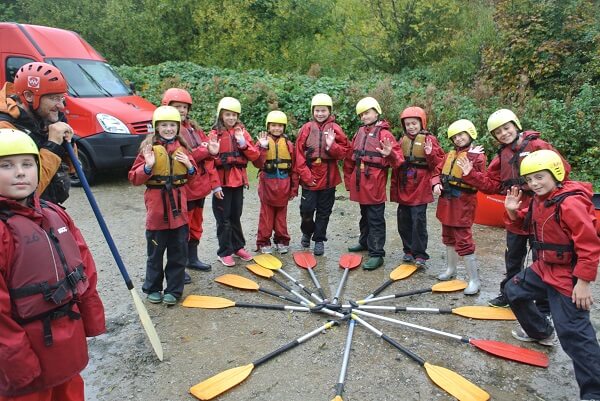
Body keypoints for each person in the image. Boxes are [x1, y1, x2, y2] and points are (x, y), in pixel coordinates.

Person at [0, 128, 105, 400]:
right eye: (6, 166)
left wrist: (91, 320)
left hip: (66, 343)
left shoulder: (53, 213)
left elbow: (85, 267)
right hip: (26, 354)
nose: (20, 172)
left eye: (27, 164)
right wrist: (18, 363)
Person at [504, 149, 600, 401]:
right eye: (530, 179)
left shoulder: (570, 202)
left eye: (540, 177)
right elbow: (525, 225)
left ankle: (594, 392)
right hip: (543, 267)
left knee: (574, 335)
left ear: (555, 174)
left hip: (566, 275)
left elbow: (589, 245)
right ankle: (541, 332)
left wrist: (583, 283)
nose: (534, 184)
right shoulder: (539, 199)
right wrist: (513, 211)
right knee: (513, 290)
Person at [457, 109, 571, 307]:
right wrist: (470, 175)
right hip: (515, 211)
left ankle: (543, 303)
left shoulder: (538, 145)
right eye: (498, 132)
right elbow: (493, 184)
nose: (503, 134)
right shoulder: (502, 155)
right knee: (513, 256)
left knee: (542, 258)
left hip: (541, 212)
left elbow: (562, 171)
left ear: (515, 125)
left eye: (506, 128)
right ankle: (510, 294)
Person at [128, 106, 198, 305]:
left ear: (178, 127)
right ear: (156, 127)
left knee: (178, 255)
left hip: (179, 217)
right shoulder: (148, 149)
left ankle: (174, 291)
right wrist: (148, 166)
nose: (168, 129)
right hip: (157, 216)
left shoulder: (183, 150)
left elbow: (194, 180)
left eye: (172, 125)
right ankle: (153, 288)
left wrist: (190, 166)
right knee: (155, 256)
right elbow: (134, 177)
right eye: (164, 125)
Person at [161, 88, 219, 281]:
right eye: (177, 106)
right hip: (184, 189)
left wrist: (211, 150)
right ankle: (179, 265)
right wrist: (205, 151)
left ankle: (191, 259)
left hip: (199, 188)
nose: (181, 110)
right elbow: (186, 157)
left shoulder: (194, 128)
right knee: (181, 230)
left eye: (184, 107)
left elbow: (207, 152)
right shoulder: (172, 133)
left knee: (196, 225)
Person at [0, 62, 74, 204]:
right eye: (53, 98)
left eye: (62, 98)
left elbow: (73, 168)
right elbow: (29, 189)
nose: (61, 106)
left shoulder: (43, 119)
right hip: (20, 213)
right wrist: (52, 144)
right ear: (28, 96)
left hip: (47, 207)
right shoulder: (5, 128)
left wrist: (67, 140)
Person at [343, 97, 402, 270]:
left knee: (375, 219)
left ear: (376, 112)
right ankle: (365, 242)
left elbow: (398, 161)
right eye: (361, 114)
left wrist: (390, 154)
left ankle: (377, 254)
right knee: (364, 215)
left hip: (375, 183)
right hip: (361, 182)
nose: (364, 117)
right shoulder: (360, 132)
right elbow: (350, 157)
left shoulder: (385, 134)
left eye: (367, 113)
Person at [432, 119, 486, 294]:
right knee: (448, 237)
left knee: (463, 240)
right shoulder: (449, 156)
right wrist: (435, 184)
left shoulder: (478, 156)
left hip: (463, 204)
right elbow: (437, 172)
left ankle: (474, 280)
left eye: (461, 135)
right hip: (446, 203)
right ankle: (450, 269)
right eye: (454, 137)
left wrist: (470, 157)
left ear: (470, 134)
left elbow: (478, 178)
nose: (458, 139)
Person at [294, 93, 350, 256]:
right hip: (309, 176)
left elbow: (344, 152)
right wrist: (306, 176)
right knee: (307, 210)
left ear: (329, 111)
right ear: (313, 111)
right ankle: (307, 232)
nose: (320, 114)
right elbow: (298, 154)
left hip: (328, 177)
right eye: (317, 110)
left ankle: (319, 239)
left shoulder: (336, 129)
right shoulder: (306, 128)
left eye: (323, 110)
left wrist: (332, 145)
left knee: (324, 211)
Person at [390, 106, 445, 269]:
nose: (411, 127)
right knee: (403, 220)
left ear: (422, 123)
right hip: (405, 185)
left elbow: (439, 163)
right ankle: (408, 250)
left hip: (421, 186)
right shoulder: (402, 140)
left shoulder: (430, 140)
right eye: (408, 124)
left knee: (418, 221)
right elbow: (396, 161)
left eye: (414, 123)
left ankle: (420, 254)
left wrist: (429, 153)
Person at [210, 97, 260, 267]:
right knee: (223, 219)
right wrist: (215, 185)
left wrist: (243, 143)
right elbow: (210, 163)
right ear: (221, 115)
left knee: (235, 216)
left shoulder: (242, 132)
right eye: (227, 114)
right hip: (222, 183)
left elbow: (255, 156)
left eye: (234, 115)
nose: (231, 118)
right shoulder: (214, 134)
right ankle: (224, 252)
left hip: (237, 182)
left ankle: (238, 247)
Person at [253, 111, 299, 254]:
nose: (277, 128)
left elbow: (295, 169)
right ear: (268, 126)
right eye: (273, 125)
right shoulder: (262, 142)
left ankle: (282, 240)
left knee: (281, 217)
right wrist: (263, 147)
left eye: (280, 126)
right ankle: (263, 242)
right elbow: (257, 163)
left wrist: (294, 189)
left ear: (284, 128)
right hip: (267, 184)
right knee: (266, 216)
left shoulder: (289, 145)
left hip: (284, 185)